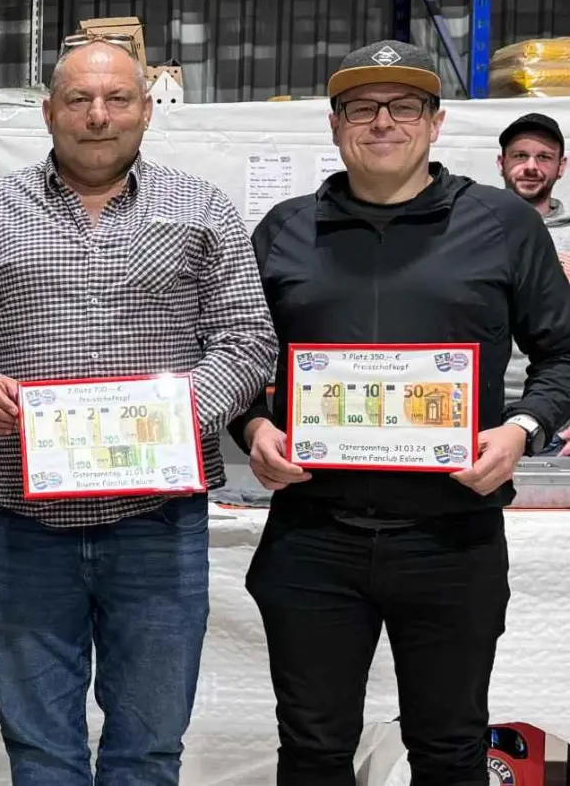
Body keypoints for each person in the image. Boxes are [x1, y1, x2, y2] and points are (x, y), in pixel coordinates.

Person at [0, 36, 277, 786]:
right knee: (40, 749)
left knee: (146, 749)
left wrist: (178, 414)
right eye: (78, 99)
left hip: (157, 523)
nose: (97, 115)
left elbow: (246, 341)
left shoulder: (201, 209)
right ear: (48, 111)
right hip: (24, 524)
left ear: (146, 111)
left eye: (116, 99)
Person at [232, 40, 570, 786]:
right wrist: (253, 428)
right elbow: (239, 364)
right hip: (312, 541)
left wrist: (521, 430)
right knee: (314, 751)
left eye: (403, 105)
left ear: (435, 121)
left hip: (453, 538)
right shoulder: (282, 231)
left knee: (449, 750)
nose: (382, 121)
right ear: (334, 125)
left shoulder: (504, 226)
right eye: (361, 107)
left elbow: (563, 354)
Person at [498, 113, 570, 450]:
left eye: (544, 157)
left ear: (561, 166)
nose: (531, 166)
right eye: (519, 156)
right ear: (501, 163)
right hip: (471, 411)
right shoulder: (466, 232)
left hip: (558, 416)